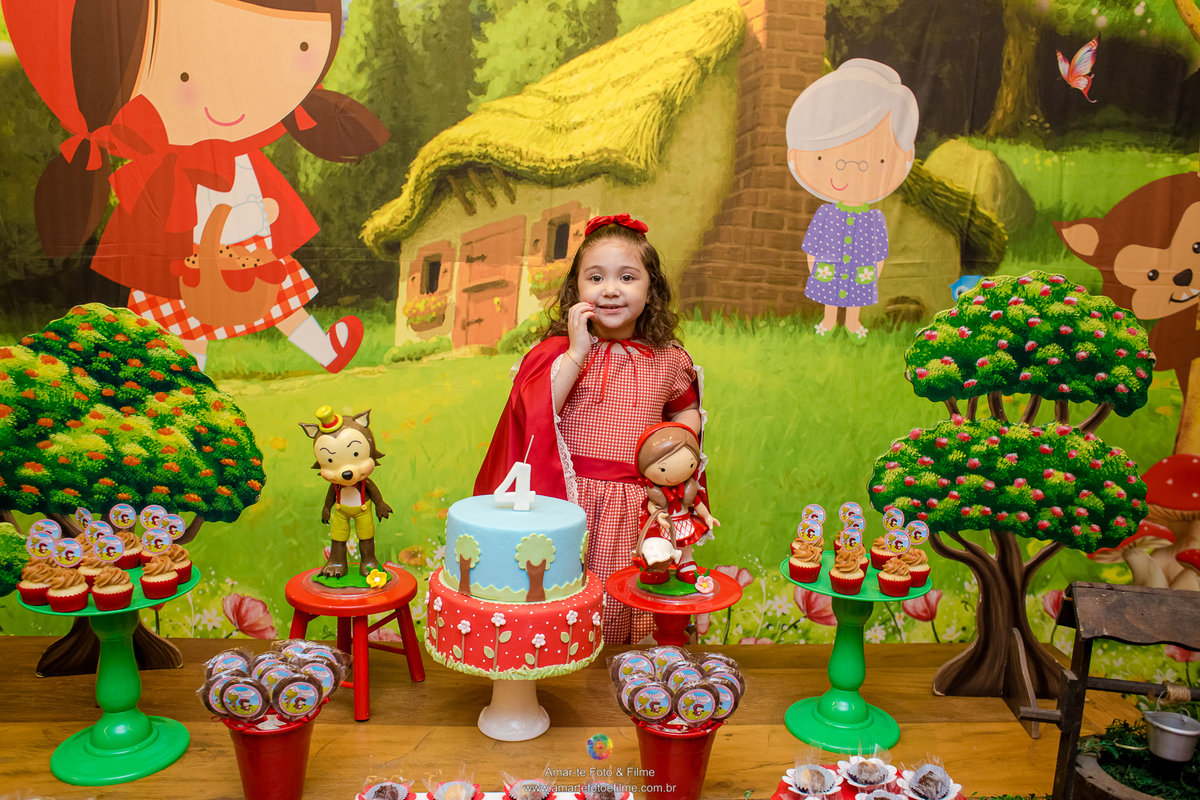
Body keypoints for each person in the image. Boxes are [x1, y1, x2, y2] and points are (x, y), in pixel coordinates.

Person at [10, 0, 389, 373]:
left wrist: (260, 215)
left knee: (280, 305)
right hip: (201, 254)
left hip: (246, 253)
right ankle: (192, 379)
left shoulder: (234, 157)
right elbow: (210, 218)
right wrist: (257, 215)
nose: (231, 97)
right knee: (192, 320)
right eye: (184, 77)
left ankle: (323, 351)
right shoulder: (176, 171)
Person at [475, 214, 711, 644]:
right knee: (567, 593)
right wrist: (578, 351)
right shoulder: (560, 353)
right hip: (569, 498)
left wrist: (681, 443)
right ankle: (564, 664)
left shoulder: (668, 358)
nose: (611, 289)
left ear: (651, 290)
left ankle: (617, 668)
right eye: (596, 277)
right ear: (576, 289)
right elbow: (538, 411)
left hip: (633, 506)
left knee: (623, 596)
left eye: (627, 277)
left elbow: (685, 410)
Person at [785, 59, 919, 339]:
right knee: (830, 294)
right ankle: (829, 320)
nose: (849, 169)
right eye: (824, 157)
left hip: (860, 270)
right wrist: (814, 266)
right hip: (828, 266)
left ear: (904, 158)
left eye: (878, 161)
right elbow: (812, 245)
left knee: (856, 295)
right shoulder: (826, 213)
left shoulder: (874, 218)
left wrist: (875, 272)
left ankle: (853, 323)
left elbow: (879, 251)